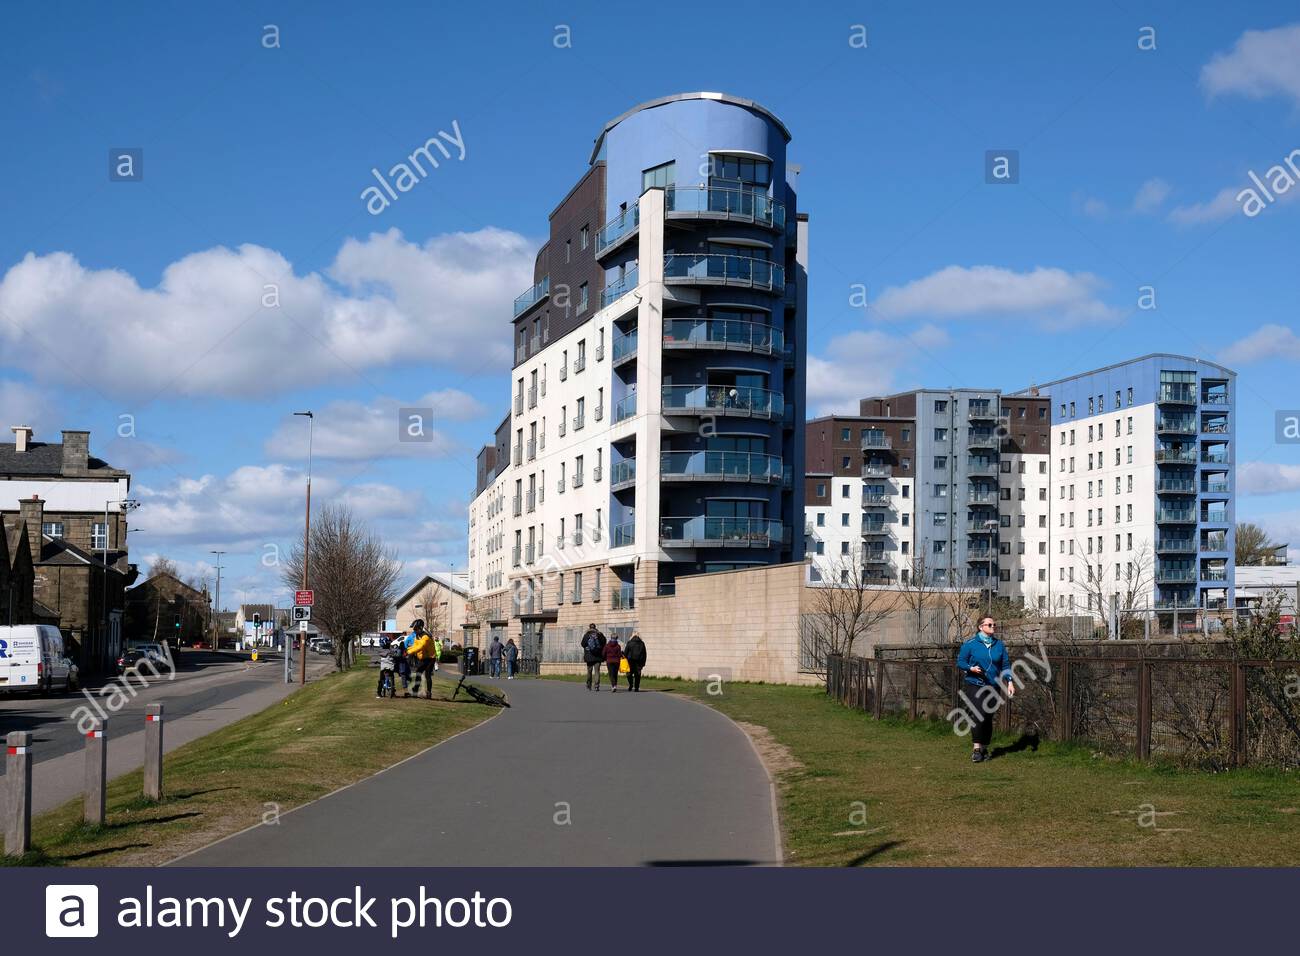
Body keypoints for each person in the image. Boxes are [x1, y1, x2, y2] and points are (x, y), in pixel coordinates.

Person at [956, 615, 1015, 762]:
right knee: (979, 714)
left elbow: (1005, 665)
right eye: (989, 625)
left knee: (988, 718)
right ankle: (976, 749)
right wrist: (971, 668)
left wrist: (1010, 682)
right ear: (980, 627)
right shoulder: (970, 644)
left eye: (994, 625)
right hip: (975, 684)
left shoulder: (999, 645)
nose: (993, 627)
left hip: (993, 685)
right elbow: (960, 662)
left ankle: (984, 748)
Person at [407, 622, 437, 699]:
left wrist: (408, 652)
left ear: (420, 628)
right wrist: (407, 649)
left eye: (416, 629)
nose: (414, 631)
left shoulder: (425, 636)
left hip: (430, 658)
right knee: (418, 673)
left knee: (428, 675)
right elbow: (415, 645)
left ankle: (429, 693)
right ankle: (415, 691)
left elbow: (420, 646)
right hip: (423, 658)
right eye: (414, 629)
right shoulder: (417, 636)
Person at [580, 623, 606, 691]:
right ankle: (596, 686)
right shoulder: (600, 634)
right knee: (597, 671)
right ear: (595, 627)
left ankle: (589, 684)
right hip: (598, 656)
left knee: (589, 671)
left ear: (589, 628)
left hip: (589, 657)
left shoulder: (586, 635)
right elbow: (604, 643)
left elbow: (582, 644)